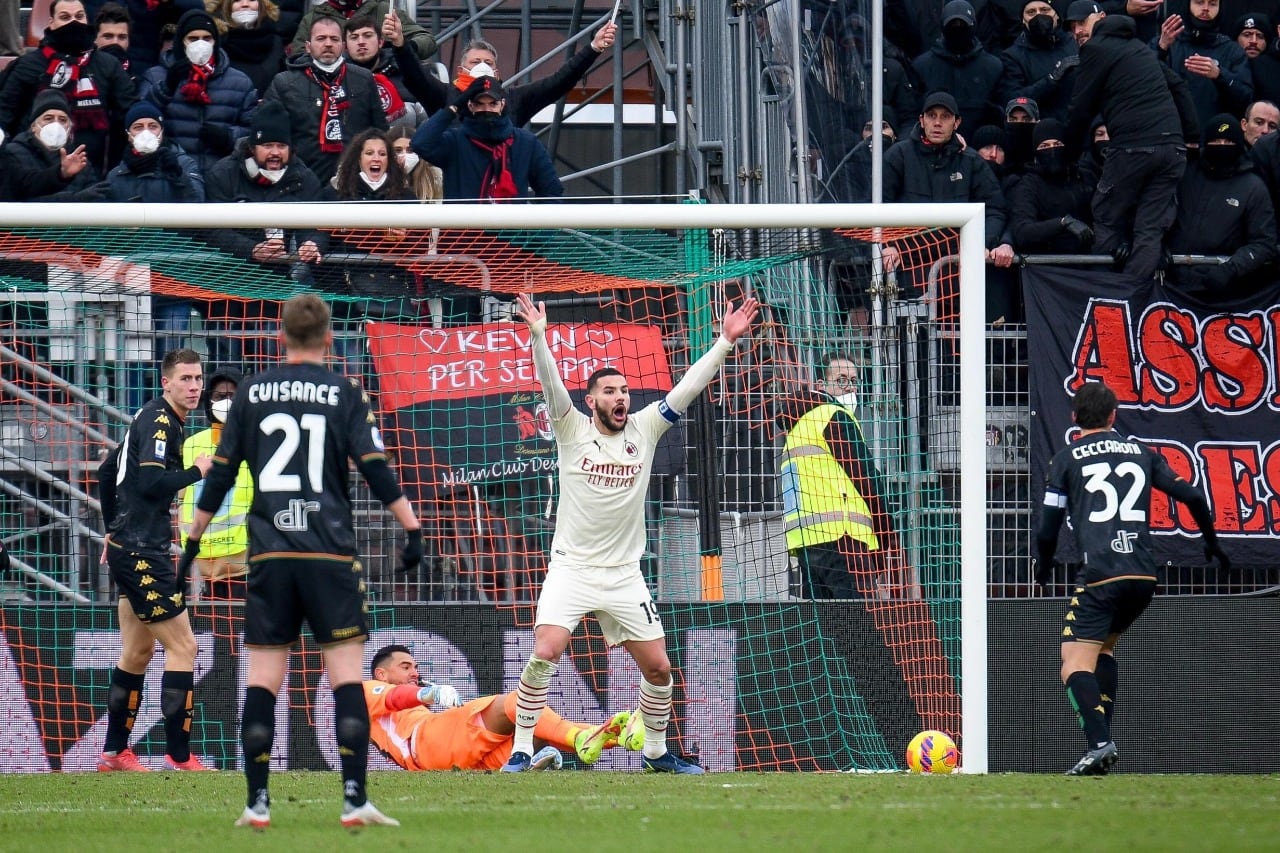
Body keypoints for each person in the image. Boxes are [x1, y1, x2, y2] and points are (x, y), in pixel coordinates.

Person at [182, 293, 424, 828]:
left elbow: (219, 476)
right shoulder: (344, 392)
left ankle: (257, 802)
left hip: (269, 555)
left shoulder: (250, 393)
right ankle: (355, 798)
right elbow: (375, 467)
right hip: (328, 553)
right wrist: (410, 526)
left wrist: (192, 543)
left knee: (264, 680)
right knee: (345, 681)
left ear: (279, 338)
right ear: (331, 339)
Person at [505, 290, 760, 774]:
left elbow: (685, 389)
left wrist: (725, 343)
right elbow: (549, 382)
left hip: (624, 575)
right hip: (573, 569)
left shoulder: (644, 428)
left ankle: (657, 753)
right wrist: (539, 335)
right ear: (591, 400)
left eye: (623, 390)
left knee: (660, 669)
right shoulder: (570, 428)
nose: (620, 397)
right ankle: (520, 749)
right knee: (546, 651)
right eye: (609, 391)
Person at [1035, 381, 1229, 775]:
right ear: (1113, 415)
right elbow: (1192, 496)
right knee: (1103, 650)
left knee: (1072, 663)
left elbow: (1047, 527)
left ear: (1074, 418)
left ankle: (1100, 743)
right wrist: (1211, 543)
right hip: (1142, 576)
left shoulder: (1066, 458)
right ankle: (1102, 749)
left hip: (1101, 574)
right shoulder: (1141, 452)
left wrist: (1044, 562)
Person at [96, 347, 213, 773]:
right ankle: (180, 757)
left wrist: (112, 528)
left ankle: (113, 753)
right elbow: (149, 484)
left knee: (137, 651)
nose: (195, 386)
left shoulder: (151, 418)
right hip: (144, 552)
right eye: (186, 378)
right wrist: (197, 472)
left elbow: (107, 474)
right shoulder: (162, 420)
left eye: (198, 378)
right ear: (166, 382)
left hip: (132, 546)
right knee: (184, 646)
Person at [1065, 13, 1200, 279]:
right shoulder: (1141, 50)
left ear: (1099, 28)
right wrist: (1193, 134)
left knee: (1106, 214)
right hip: (1173, 148)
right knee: (1149, 228)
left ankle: (1105, 293)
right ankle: (1133, 294)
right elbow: (1179, 86)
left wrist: (1069, 153)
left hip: (1133, 145)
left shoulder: (1096, 47)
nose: (1080, 32)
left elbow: (1080, 107)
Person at [364, 644, 639, 771]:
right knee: (519, 701)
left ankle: (614, 736)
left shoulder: (403, 706)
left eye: (415, 666)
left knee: (536, 731)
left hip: (455, 763)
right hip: (423, 744)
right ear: (381, 674)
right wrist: (430, 692)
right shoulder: (365, 690)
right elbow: (394, 698)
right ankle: (582, 737)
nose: (414, 671)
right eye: (405, 666)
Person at [776, 353, 902, 601]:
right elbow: (866, 478)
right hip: (843, 539)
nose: (850, 387)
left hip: (806, 543)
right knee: (859, 629)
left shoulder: (796, 429)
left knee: (824, 630)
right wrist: (888, 533)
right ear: (821, 386)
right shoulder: (833, 415)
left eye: (854, 381)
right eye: (841, 380)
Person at [0, 0, 138, 174]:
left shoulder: (108, 65)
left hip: (92, 172)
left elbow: (130, 111)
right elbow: (5, 113)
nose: (74, 22)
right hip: (31, 170)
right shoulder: (28, 65)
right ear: (51, 22)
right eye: (65, 17)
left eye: (79, 16)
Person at [413, 23, 618, 128]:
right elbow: (415, 77)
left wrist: (593, 48)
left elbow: (558, 82)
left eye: (488, 63)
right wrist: (399, 45)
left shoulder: (513, 98)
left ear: (496, 72)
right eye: (475, 62)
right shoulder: (443, 95)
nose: (482, 66)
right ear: (460, 70)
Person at [262, 15, 387, 184]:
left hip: (355, 180)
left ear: (343, 46)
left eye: (334, 39)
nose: (328, 44)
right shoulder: (284, 83)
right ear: (308, 46)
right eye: (321, 38)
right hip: (300, 180)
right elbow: (268, 135)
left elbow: (379, 131)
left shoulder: (363, 79)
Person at [1166, 112, 1277, 300]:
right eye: (1216, 141)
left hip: (1219, 293)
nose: (1222, 147)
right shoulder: (1184, 174)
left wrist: (1229, 270)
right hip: (1169, 286)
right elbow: (1156, 213)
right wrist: (1157, 248)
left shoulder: (1253, 187)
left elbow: (1264, 243)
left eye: (1228, 142)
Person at [139, 9, 258, 173]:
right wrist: (166, 87)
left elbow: (255, 133)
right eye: (193, 39)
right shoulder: (155, 76)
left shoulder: (240, 82)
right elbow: (138, 120)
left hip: (221, 176)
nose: (200, 44)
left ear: (215, 41)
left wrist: (229, 137)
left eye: (207, 38)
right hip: (173, 173)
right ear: (181, 41)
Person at [410, 76, 563, 202]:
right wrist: (454, 106)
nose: (487, 109)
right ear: (470, 106)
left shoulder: (526, 142)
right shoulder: (454, 141)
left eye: (492, 104)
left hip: (511, 237)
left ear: (502, 104)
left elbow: (551, 190)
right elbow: (420, 143)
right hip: (462, 237)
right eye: (479, 104)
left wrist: (539, 238)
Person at [179, 367, 251, 602]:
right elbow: (183, 497)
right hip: (201, 554)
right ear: (209, 400)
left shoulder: (254, 443)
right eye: (220, 397)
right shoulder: (191, 444)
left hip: (241, 556)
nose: (226, 402)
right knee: (217, 627)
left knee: (243, 623)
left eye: (233, 396)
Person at [1155, 0, 1252, 128]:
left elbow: (1245, 98)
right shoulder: (1168, 43)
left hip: (1217, 136)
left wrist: (1220, 74)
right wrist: (1161, 50)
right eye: (1199, 2)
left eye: (1212, 4)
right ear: (1188, 5)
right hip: (1172, 133)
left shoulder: (1232, 50)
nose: (1206, 8)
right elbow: (1141, 84)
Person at [912, 1, 1004, 132]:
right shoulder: (921, 66)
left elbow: (999, 112)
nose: (958, 29)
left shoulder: (993, 67)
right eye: (952, 25)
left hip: (980, 145)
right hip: (935, 143)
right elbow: (913, 113)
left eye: (963, 25)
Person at [0, 87, 105, 201]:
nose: (56, 124)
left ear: (69, 128)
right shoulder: (13, 154)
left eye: (62, 120)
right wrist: (73, 199)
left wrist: (63, 174)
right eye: (48, 118)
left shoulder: (78, 160)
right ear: (34, 126)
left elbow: (94, 198)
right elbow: (23, 193)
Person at [105, 99, 203, 201]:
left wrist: (179, 175)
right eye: (138, 127)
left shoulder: (184, 164)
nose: (146, 132)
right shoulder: (116, 175)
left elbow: (198, 201)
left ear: (162, 131)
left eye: (153, 126)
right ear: (129, 135)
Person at [999, 0, 1079, 123]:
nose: (1038, 15)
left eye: (1045, 10)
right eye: (1031, 12)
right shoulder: (1013, 56)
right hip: (1041, 132)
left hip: (1079, 126)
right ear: (1023, 20)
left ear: (1057, 15)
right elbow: (1012, 99)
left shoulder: (1075, 43)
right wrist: (1051, 80)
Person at [290, 0, 435, 61]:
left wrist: (402, 47)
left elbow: (427, 40)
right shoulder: (314, 18)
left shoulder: (384, 11)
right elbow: (297, 56)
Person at [209, 0, 285, 98]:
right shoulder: (216, 43)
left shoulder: (276, 42)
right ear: (227, 6)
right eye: (237, 0)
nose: (245, 4)